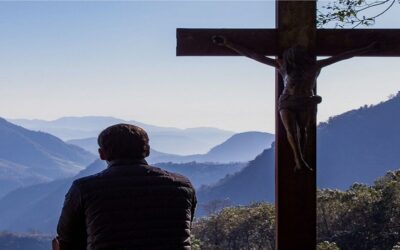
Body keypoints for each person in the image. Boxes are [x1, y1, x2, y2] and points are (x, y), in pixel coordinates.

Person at [213, 36, 377, 172]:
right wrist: (228, 43)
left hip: (306, 102)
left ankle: (302, 159)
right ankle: (299, 161)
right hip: (286, 102)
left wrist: (366, 48)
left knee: (303, 131)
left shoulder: (314, 67)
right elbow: (254, 55)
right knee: (291, 132)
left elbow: (342, 56)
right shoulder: (284, 68)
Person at [56, 124, 197, 250]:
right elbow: (184, 229)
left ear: (101, 154)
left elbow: (67, 239)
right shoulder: (182, 185)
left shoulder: (85, 188)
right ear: (147, 151)